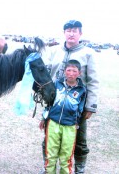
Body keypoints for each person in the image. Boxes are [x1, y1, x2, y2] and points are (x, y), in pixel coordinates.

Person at [40, 20, 99, 173]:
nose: (71, 33)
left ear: (80, 33)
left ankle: (79, 170)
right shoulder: (54, 51)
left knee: (79, 142)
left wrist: (90, 106)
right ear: (64, 32)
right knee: (48, 139)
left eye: (75, 30)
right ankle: (48, 168)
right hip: (54, 103)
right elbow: (46, 75)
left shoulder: (88, 53)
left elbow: (93, 81)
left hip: (76, 106)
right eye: (68, 30)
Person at [41, 59, 87, 173]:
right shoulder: (56, 84)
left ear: (79, 73)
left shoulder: (82, 90)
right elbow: (49, 102)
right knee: (50, 155)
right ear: (64, 71)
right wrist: (44, 118)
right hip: (53, 123)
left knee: (66, 157)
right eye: (68, 70)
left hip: (70, 126)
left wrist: (76, 122)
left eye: (74, 71)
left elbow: (80, 109)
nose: (71, 73)